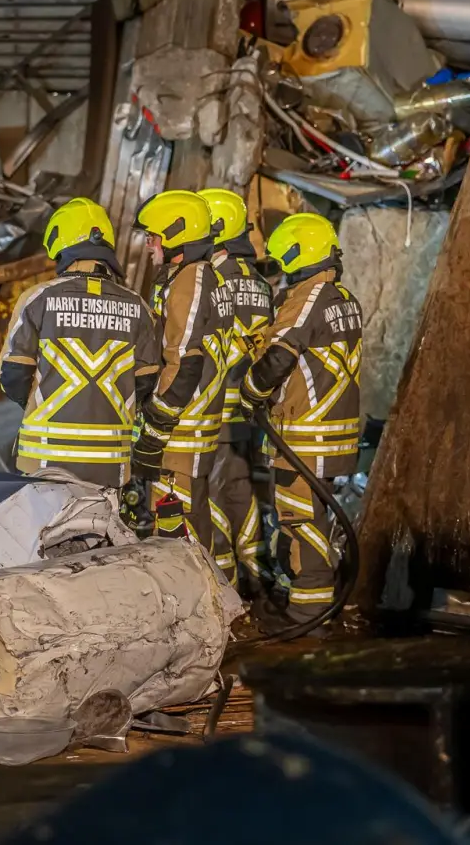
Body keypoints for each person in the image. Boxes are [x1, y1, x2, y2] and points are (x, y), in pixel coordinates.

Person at [242, 212, 362, 625]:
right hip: (333, 433)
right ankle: (313, 599)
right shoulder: (344, 299)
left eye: (282, 263)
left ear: (298, 255)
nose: (280, 274)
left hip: (303, 435)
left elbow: (277, 360)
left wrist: (250, 393)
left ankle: (307, 613)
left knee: (300, 520)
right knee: (315, 515)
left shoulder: (307, 300)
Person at [0, 197, 161, 488]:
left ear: (61, 242)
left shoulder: (38, 299)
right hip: (111, 464)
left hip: (45, 460)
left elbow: (12, 375)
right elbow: (146, 383)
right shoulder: (138, 307)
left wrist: (42, 407)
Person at [131, 190, 235, 578]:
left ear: (178, 235)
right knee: (190, 516)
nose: (147, 245)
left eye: (153, 237)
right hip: (192, 422)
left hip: (183, 427)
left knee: (178, 526)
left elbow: (185, 359)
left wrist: (156, 424)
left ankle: (196, 610)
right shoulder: (201, 276)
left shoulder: (192, 279)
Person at [197, 188, 275, 597]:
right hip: (249, 416)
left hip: (215, 417)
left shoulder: (211, 281)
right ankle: (259, 584)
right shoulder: (260, 283)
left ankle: (224, 592)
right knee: (243, 497)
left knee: (211, 502)